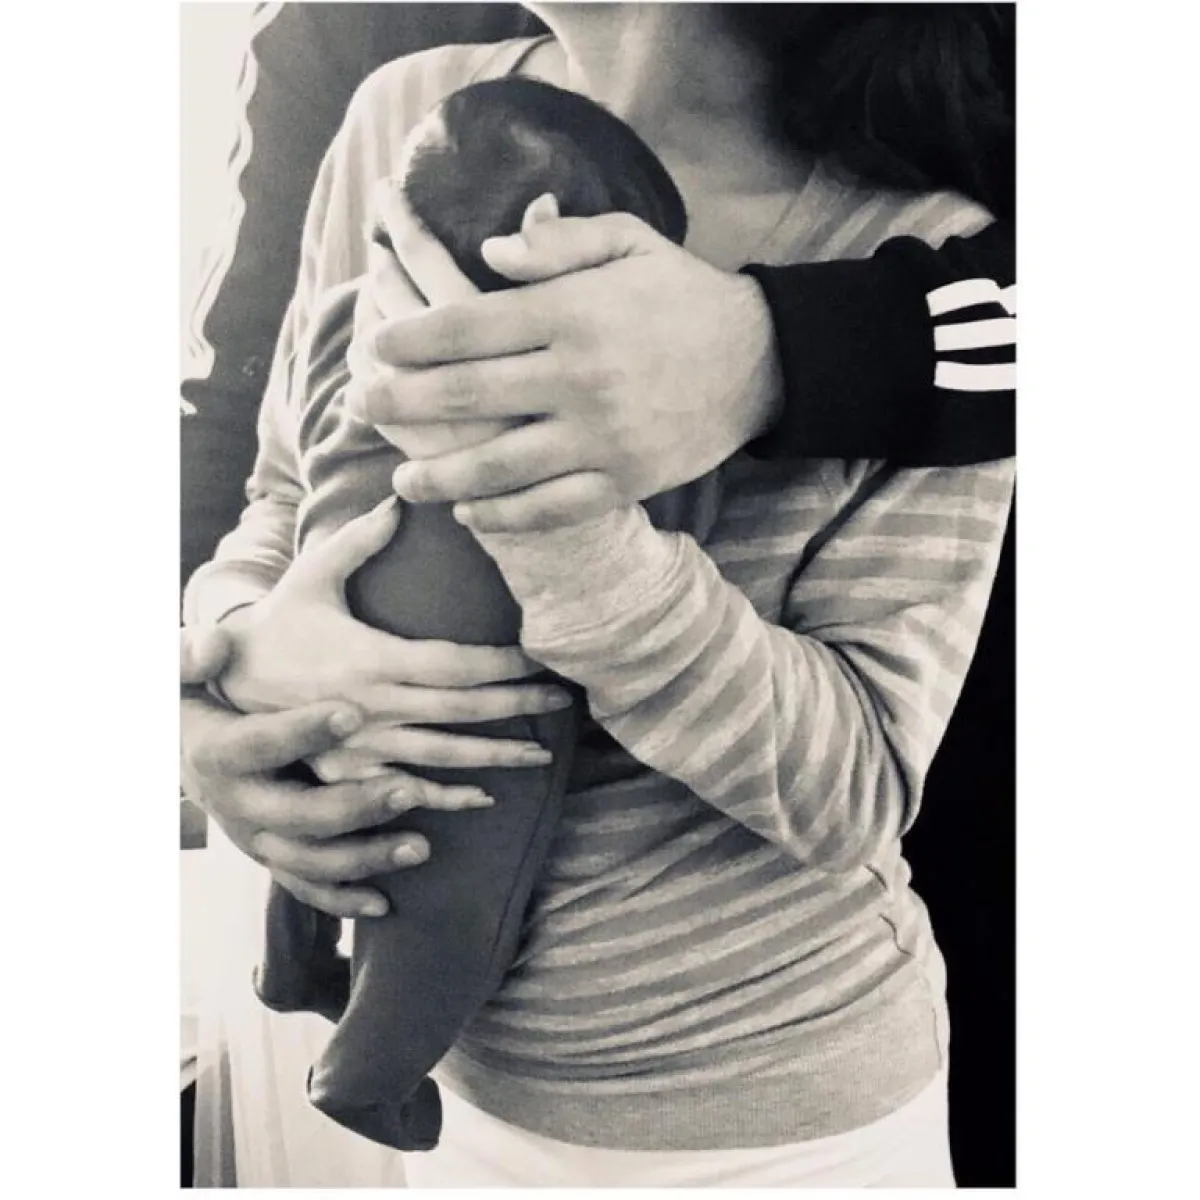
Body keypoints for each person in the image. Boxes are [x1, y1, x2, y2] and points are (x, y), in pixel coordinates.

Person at [183, 4, 1015, 1186]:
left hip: (780, 1128)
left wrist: (563, 525)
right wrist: (230, 651)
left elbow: (855, 791)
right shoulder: (400, 112)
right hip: (457, 1102)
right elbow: (283, 481)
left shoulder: (929, 247)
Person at [223, 74, 725, 1152]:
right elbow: (668, 505)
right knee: (451, 909)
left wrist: (237, 631)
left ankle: (290, 961)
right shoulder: (564, 398)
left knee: (308, 826)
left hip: (319, 628)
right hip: (464, 706)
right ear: (556, 246)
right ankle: (367, 1075)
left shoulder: (346, 316)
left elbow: (287, 467)